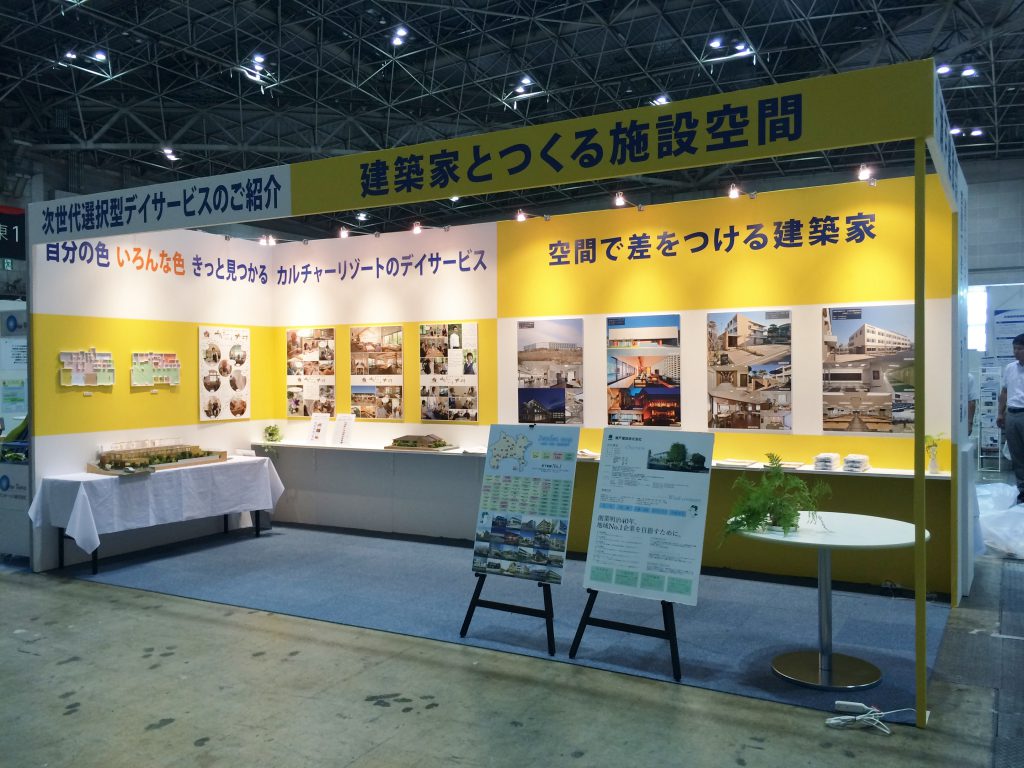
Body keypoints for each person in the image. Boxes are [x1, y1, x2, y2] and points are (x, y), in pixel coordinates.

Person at [997, 333, 1024, 503]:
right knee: (1017, 455)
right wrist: (1000, 413)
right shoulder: (1010, 368)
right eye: (1014, 348)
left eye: (1020, 348)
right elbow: (1004, 392)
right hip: (1012, 415)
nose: (1016, 352)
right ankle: (1022, 489)